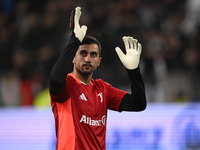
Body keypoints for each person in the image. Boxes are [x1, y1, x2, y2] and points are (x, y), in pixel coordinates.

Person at [49, 6, 147, 150]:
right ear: (73, 58)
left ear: (98, 61)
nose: (88, 59)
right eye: (82, 53)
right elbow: (55, 79)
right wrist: (74, 40)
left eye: (93, 55)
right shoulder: (67, 85)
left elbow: (138, 104)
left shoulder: (103, 88)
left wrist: (133, 71)